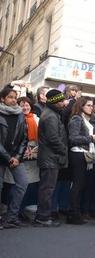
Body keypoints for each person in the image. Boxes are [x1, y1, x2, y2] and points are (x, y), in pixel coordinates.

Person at [34, 89, 68, 227]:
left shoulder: (52, 114)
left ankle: (43, 215)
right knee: (47, 189)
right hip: (50, 158)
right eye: (61, 101)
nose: (63, 103)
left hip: (51, 157)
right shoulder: (50, 116)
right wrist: (63, 150)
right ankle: (42, 217)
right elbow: (53, 138)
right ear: (55, 102)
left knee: (47, 188)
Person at [67, 97, 95, 224]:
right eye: (88, 105)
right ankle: (73, 215)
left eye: (91, 105)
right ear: (81, 106)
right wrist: (92, 137)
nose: (91, 107)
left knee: (81, 185)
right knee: (77, 185)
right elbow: (73, 138)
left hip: (85, 154)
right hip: (78, 154)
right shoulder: (76, 118)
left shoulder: (86, 119)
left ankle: (76, 214)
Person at [0, 87, 29, 228]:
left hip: (15, 157)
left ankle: (11, 216)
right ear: (2, 99)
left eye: (15, 97)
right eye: (10, 97)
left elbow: (24, 138)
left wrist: (17, 157)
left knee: (23, 182)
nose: (13, 100)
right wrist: (8, 157)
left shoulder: (20, 115)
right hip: (2, 156)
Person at [17, 97, 40, 220]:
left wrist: (35, 149)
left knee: (32, 183)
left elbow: (41, 137)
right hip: (19, 154)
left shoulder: (36, 119)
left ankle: (27, 211)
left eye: (27, 105)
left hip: (34, 155)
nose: (25, 108)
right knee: (19, 184)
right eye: (22, 105)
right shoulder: (16, 118)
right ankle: (17, 211)